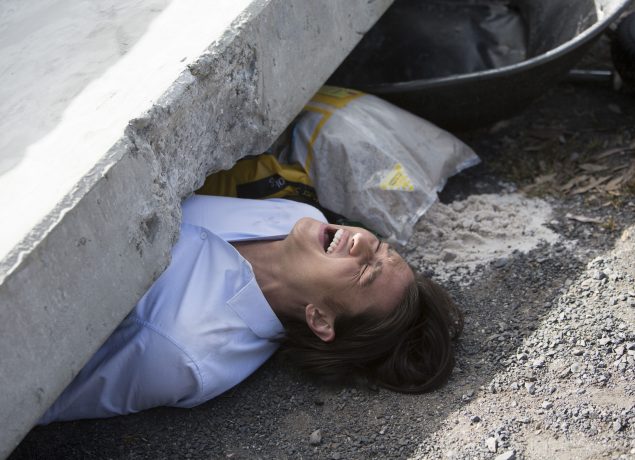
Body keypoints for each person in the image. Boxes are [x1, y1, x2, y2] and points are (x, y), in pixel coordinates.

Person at [40, 194, 462, 423]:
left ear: (319, 318)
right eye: (382, 247)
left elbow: (35, 396)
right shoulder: (299, 215)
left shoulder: (184, 353)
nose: (363, 241)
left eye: (365, 271)